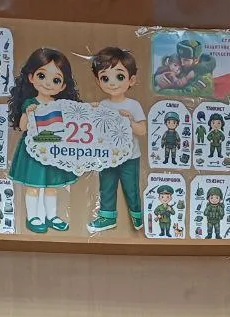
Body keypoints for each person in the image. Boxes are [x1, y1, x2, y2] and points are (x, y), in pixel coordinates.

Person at [8, 47, 80, 233]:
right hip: (33, 151)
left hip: (54, 151)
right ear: (31, 77)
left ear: (63, 86)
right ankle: (33, 217)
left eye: (56, 80)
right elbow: (23, 126)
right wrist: (28, 114)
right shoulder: (30, 103)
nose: (48, 83)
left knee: (51, 187)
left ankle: (51, 216)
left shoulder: (60, 105)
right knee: (33, 186)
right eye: (42, 76)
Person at [88, 47, 146, 233]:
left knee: (131, 187)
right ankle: (107, 216)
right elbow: (96, 130)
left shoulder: (133, 105)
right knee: (107, 186)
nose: (112, 83)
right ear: (98, 81)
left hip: (130, 156)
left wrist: (130, 122)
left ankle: (137, 214)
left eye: (119, 77)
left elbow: (142, 130)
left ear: (131, 80)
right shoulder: (103, 105)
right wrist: (92, 112)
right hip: (108, 155)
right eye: (105, 78)